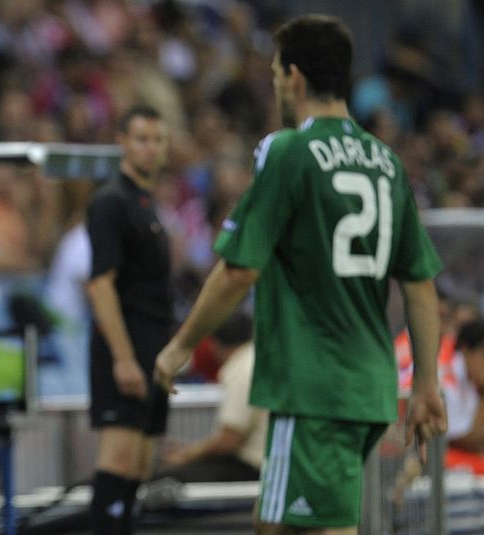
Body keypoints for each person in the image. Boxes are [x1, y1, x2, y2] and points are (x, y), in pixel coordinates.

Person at [154, 14, 447, 535]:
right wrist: (425, 384)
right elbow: (420, 285)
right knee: (273, 524)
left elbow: (238, 270)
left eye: (273, 76)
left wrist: (180, 345)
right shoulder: (385, 161)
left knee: (321, 530)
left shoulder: (290, 151)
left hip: (315, 388)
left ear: (293, 78)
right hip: (366, 385)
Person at [85, 104, 173, 535]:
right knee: (119, 457)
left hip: (152, 347)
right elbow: (101, 285)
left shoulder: (144, 201)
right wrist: (122, 358)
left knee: (139, 462)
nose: (150, 148)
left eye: (157, 140)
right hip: (126, 347)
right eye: (141, 138)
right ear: (122, 141)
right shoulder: (110, 202)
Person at [156, 312, 266, 484]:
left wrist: (187, 455)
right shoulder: (256, 360)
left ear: (214, 344)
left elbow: (230, 439)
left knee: (162, 479)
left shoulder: (242, 370)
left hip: (250, 467)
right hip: (258, 463)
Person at [443, 318, 484, 474]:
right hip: (446, 463)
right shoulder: (446, 380)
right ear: (466, 350)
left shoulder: (472, 379)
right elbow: (473, 441)